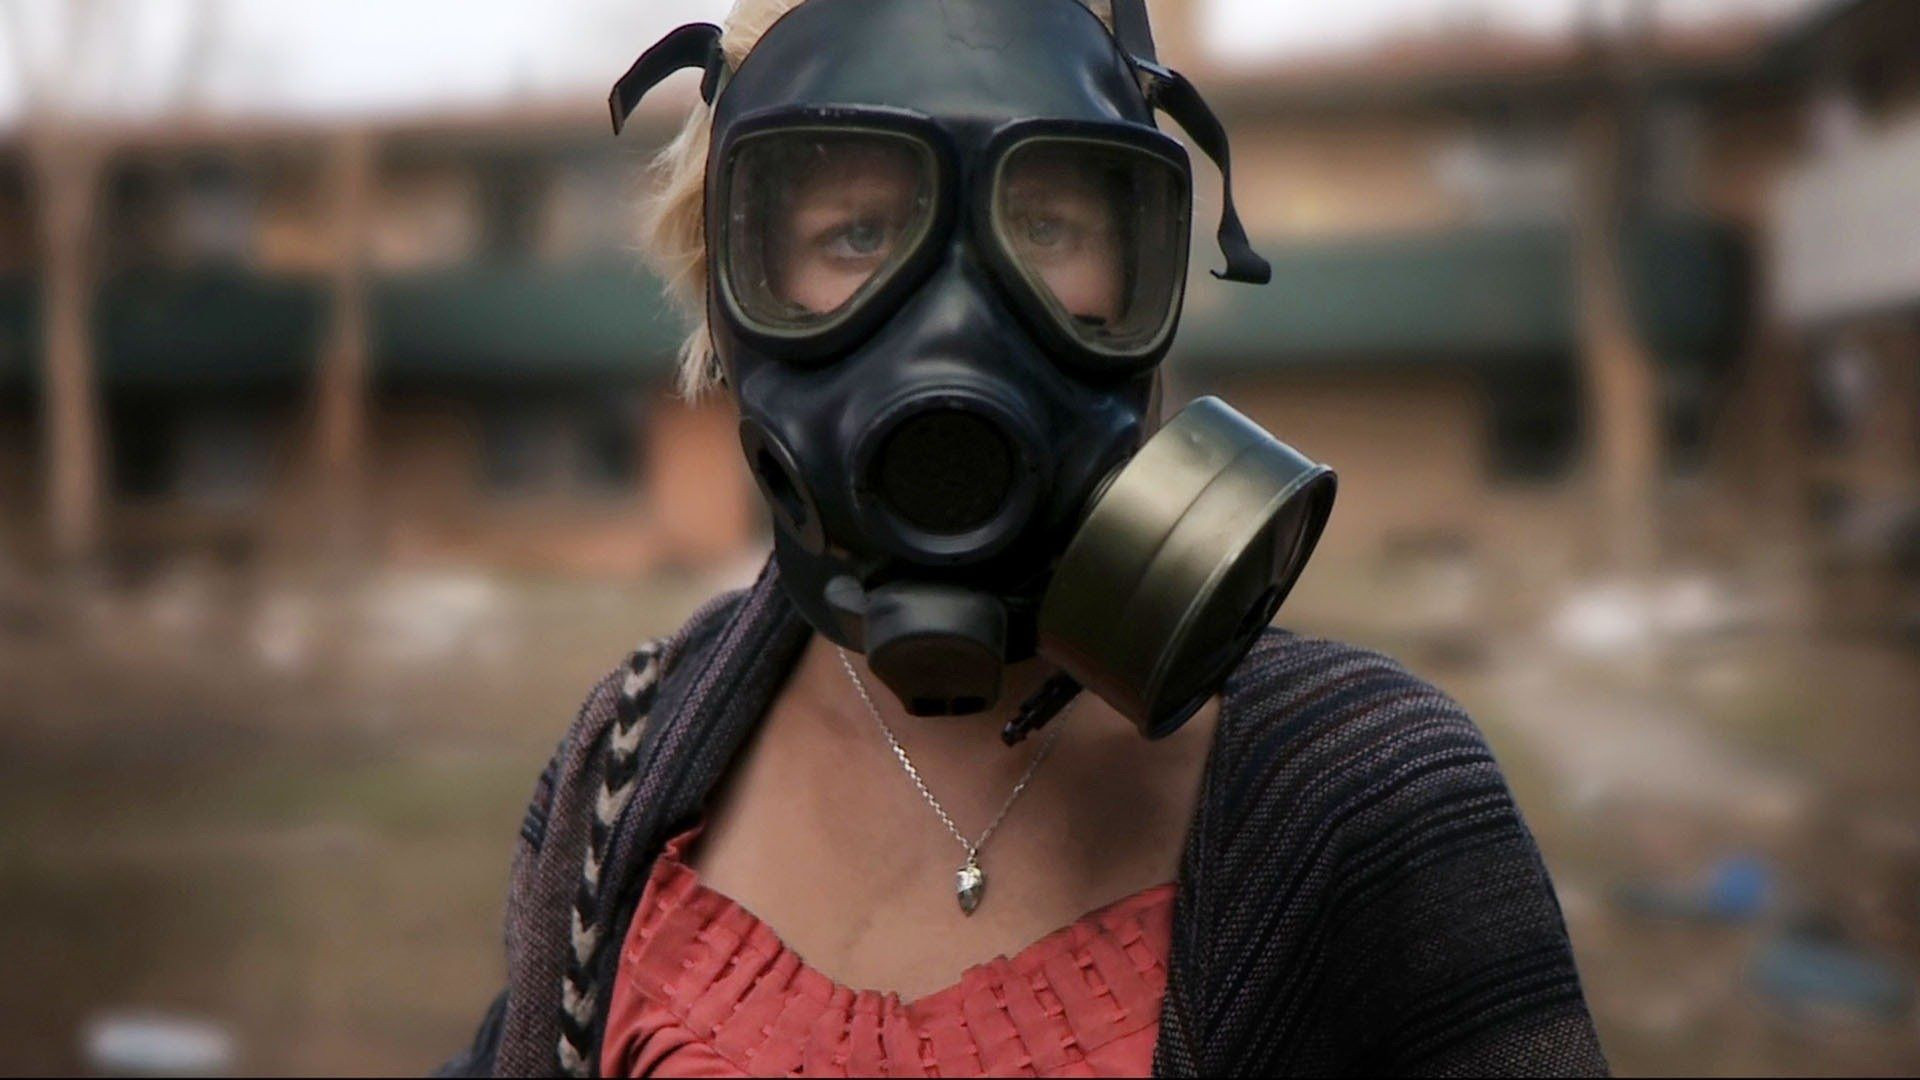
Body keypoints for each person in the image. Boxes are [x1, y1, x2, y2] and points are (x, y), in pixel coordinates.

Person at [441, 1, 1608, 1076]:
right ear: (732, 287)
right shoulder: (626, 756)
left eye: (1044, 223)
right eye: (856, 232)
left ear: (1144, 275)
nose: (958, 315)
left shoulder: (1370, 796)